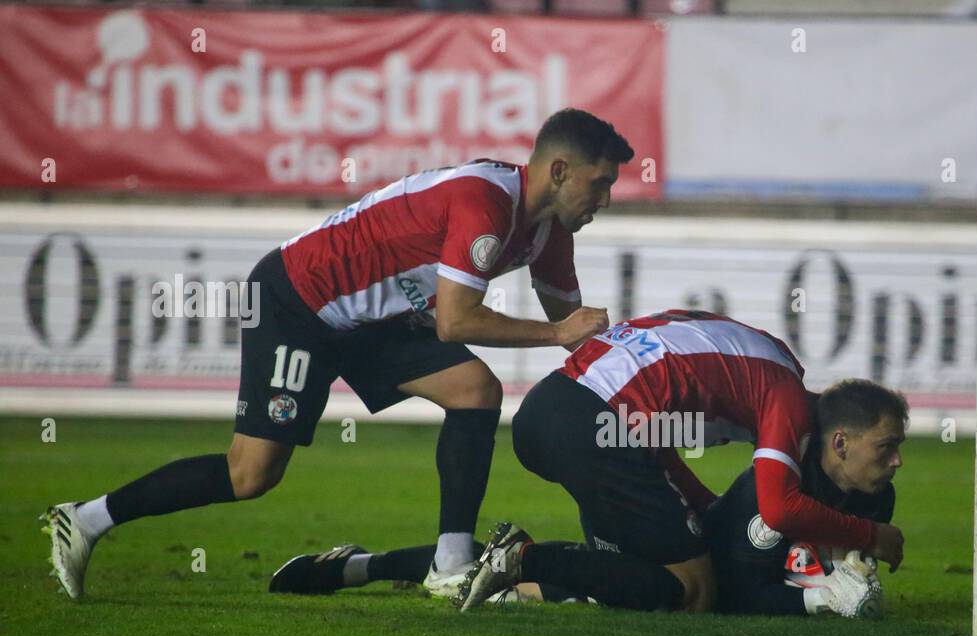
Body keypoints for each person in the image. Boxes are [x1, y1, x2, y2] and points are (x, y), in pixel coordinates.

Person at [43, 109, 633, 600]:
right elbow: (457, 321)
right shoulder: (484, 204)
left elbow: (572, 330)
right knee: (250, 475)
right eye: (600, 182)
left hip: (370, 321)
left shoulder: (550, 231)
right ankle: (87, 517)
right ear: (558, 171)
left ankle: (450, 563)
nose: (605, 197)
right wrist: (558, 336)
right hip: (297, 300)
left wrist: (633, 375)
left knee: (476, 391)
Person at [455, 309, 906, 614]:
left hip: (550, 410)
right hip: (594, 422)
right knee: (695, 590)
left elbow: (657, 434)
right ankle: (525, 560)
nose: (896, 460)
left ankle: (525, 587)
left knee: (645, 566)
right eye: (885, 447)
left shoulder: (762, 368)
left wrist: (698, 505)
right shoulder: (785, 399)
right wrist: (871, 535)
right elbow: (779, 507)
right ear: (838, 440)